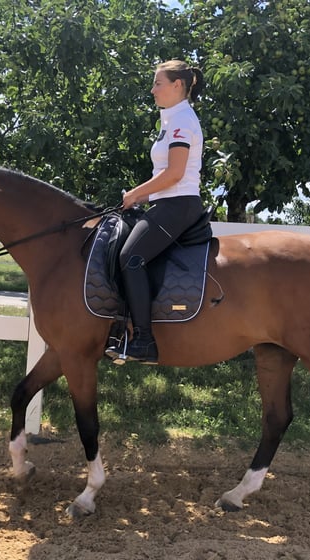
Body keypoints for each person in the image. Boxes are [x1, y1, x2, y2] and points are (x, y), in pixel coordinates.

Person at [105, 59, 206, 365]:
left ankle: (145, 341)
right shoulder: (171, 120)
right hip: (167, 202)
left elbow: (175, 173)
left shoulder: (181, 122)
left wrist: (137, 194)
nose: (152, 90)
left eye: (157, 83)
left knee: (130, 259)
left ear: (178, 85)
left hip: (178, 204)